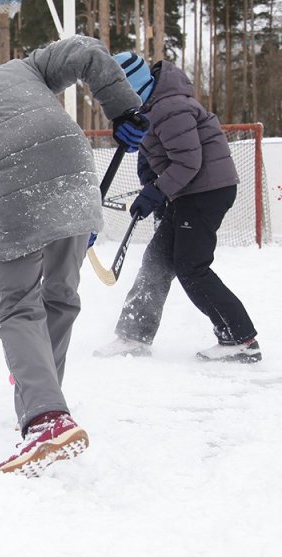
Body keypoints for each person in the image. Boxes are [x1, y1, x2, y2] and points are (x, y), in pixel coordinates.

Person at [0, 35, 146, 476]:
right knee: (61, 294)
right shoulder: (20, 68)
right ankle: (44, 393)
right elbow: (83, 50)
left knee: (18, 307)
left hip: (8, 191)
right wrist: (123, 107)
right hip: (74, 170)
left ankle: (46, 416)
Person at [95, 52, 262, 364]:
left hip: (206, 190)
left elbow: (188, 161)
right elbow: (152, 152)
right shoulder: (150, 107)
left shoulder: (171, 106)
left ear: (129, 85)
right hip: (189, 190)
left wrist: (157, 192)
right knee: (156, 260)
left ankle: (240, 338)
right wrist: (151, 183)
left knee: (191, 266)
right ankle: (134, 334)